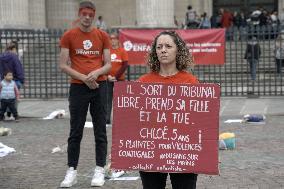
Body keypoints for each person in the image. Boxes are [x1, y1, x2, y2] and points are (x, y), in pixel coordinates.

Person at [58, 1, 111, 187]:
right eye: (84, 14)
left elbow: (108, 64)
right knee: (75, 131)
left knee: (100, 130)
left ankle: (99, 169)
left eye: (90, 14)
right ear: (79, 14)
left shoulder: (102, 35)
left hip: (100, 84)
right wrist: (83, 77)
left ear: (94, 15)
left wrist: (96, 73)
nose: (87, 17)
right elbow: (63, 64)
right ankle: (71, 170)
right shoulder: (68, 36)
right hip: (78, 87)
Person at [138, 30, 198, 189]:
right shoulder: (143, 82)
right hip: (151, 150)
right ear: (154, 52)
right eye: (159, 47)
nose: (163, 50)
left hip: (183, 150)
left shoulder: (190, 81)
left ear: (178, 50)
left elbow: (199, 121)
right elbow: (133, 120)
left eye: (168, 46)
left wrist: (208, 151)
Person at [106, 33, 128, 125]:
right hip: (108, 79)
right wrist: (108, 76)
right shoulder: (107, 52)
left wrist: (116, 77)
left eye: (114, 39)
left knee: (120, 100)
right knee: (107, 100)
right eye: (111, 39)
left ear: (118, 40)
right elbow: (103, 64)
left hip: (120, 79)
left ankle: (121, 119)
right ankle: (107, 119)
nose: (113, 41)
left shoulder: (122, 51)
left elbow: (124, 65)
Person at [0, 42, 25, 120]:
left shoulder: (1, 57)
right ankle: (12, 113)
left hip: (3, 80)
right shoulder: (14, 57)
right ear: (13, 49)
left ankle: (3, 114)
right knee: (14, 97)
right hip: (15, 80)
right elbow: (18, 68)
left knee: (4, 97)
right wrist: (21, 79)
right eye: (15, 50)